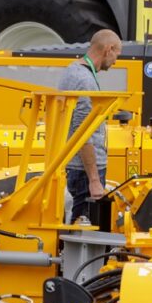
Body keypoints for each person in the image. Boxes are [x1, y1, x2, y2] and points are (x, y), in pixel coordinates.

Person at [60, 29, 122, 224]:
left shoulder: (72, 70)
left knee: (74, 226)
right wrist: (94, 180)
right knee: (83, 230)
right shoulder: (85, 81)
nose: (115, 62)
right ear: (108, 49)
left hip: (75, 167)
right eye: (116, 55)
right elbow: (83, 132)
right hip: (84, 172)